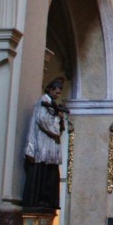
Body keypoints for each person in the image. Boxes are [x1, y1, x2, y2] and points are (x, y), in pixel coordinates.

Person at [22, 78, 66, 210]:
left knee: (50, 174)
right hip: (42, 145)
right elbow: (44, 121)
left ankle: (48, 200)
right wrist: (58, 118)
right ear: (50, 90)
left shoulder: (52, 104)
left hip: (50, 146)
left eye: (59, 93)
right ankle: (39, 199)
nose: (58, 95)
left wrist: (60, 118)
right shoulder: (43, 103)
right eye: (57, 93)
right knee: (41, 172)